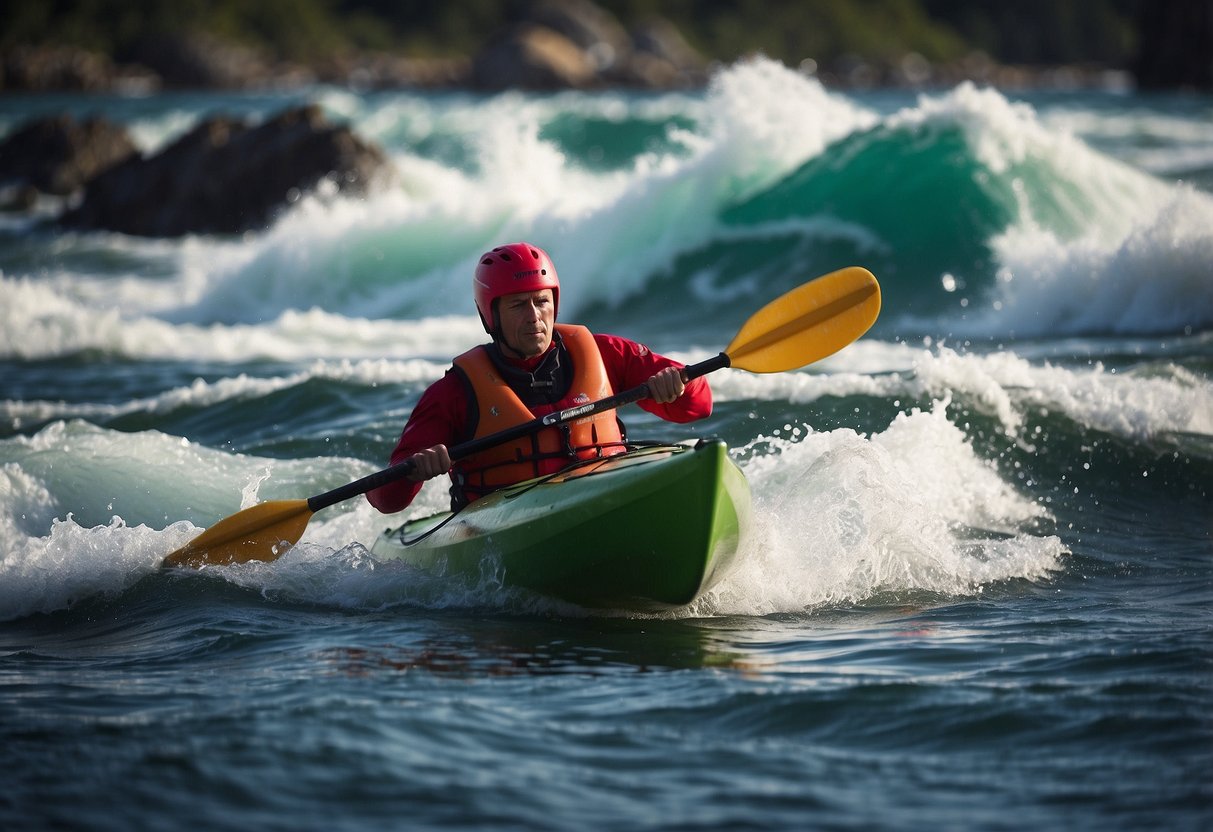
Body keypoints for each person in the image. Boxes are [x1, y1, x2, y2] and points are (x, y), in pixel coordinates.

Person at [367, 241, 712, 513]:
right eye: (518, 305)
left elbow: (699, 407)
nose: (534, 317)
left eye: (541, 301)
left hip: (600, 497)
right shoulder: (455, 392)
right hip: (504, 524)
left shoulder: (604, 352)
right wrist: (415, 470)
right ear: (491, 316)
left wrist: (679, 386)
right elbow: (386, 500)